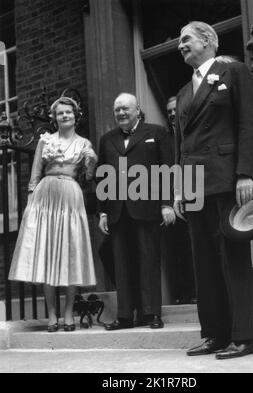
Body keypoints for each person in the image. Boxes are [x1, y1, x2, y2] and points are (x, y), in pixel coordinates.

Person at [174, 22, 253, 359]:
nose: (180, 46)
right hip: (194, 184)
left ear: (208, 40)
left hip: (226, 179)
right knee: (204, 263)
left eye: (186, 39)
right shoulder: (183, 93)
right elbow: (180, 146)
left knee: (233, 259)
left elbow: (249, 123)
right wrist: (178, 188)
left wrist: (244, 173)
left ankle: (244, 337)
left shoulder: (234, 72)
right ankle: (214, 334)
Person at [9, 96, 97, 332]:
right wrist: (30, 204)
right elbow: (35, 174)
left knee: (69, 253)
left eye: (68, 112)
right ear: (54, 117)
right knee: (47, 253)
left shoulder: (84, 144)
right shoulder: (45, 141)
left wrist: (92, 162)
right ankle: (51, 314)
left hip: (70, 195)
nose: (65, 116)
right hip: (45, 195)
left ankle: (68, 313)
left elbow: (88, 177)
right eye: (60, 113)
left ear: (76, 115)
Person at [97, 93, 175, 330]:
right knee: (121, 263)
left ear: (137, 110)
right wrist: (102, 212)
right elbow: (102, 175)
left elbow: (167, 170)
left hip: (147, 206)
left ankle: (151, 313)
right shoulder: (107, 139)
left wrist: (167, 203)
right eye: (117, 110)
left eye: (125, 109)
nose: (121, 113)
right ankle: (125, 316)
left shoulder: (156, 132)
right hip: (117, 210)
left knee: (148, 259)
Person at [161, 96, 196, 305]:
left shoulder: (193, 132)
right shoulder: (164, 139)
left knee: (198, 246)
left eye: (175, 110)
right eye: (169, 112)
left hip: (197, 195)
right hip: (174, 201)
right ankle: (183, 293)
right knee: (178, 249)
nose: (172, 114)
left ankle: (199, 291)